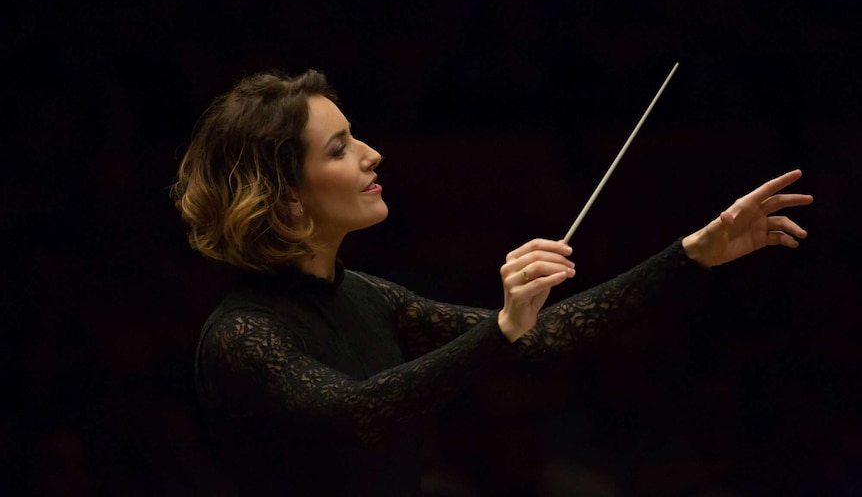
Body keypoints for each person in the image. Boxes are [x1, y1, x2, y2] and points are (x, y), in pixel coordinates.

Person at [171, 69, 812, 497]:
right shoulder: (242, 334)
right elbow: (361, 413)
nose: (371, 153)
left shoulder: (365, 294)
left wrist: (691, 253)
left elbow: (536, 337)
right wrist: (501, 327)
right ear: (284, 200)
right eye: (338, 149)